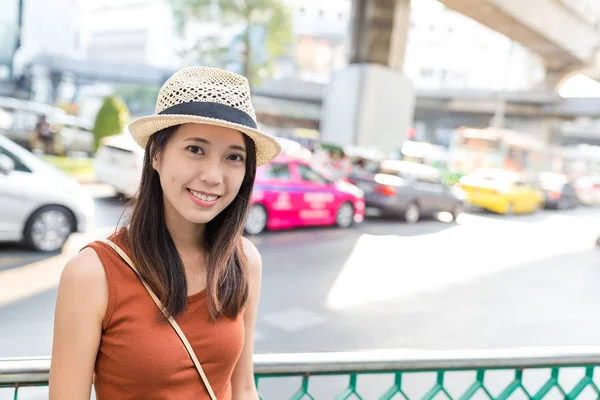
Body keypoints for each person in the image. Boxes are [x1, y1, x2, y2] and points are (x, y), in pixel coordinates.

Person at [48, 66, 281, 399]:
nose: (214, 176)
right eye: (195, 149)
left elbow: (243, 388)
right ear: (157, 154)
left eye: (234, 156)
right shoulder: (93, 274)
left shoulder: (244, 262)